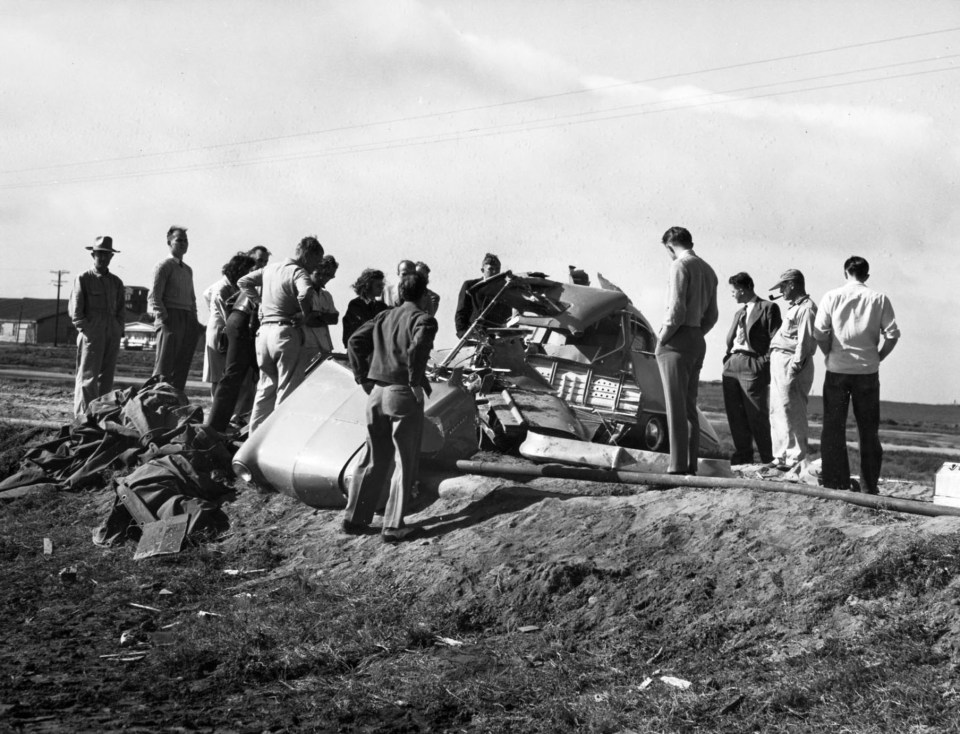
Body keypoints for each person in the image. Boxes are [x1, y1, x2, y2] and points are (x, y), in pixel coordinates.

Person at [342, 271, 438, 543]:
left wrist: (362, 377)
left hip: (377, 393)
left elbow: (354, 341)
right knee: (404, 461)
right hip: (402, 393)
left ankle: (354, 517)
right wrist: (416, 382)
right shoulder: (424, 319)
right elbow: (418, 348)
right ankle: (394, 526)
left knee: (373, 457)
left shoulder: (384, 316)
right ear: (423, 294)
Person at [814, 256, 899, 494]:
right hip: (867, 372)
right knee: (868, 431)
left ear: (845, 273)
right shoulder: (879, 298)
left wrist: (829, 353)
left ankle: (836, 483)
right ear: (867, 276)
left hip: (837, 369)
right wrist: (878, 357)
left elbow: (819, 333)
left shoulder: (831, 296)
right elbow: (892, 335)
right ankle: (869, 486)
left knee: (832, 428)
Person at [238, 235, 324, 432]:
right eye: (316, 262)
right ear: (308, 255)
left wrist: (259, 302)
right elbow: (305, 293)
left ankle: (254, 439)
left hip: (264, 333)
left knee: (265, 389)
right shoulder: (299, 272)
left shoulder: (271, 269)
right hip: (285, 333)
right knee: (286, 390)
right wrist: (305, 313)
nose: (315, 268)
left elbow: (243, 282)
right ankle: (278, 438)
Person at [654, 227, 718, 475]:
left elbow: (676, 311)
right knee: (689, 406)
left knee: (675, 405)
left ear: (670, 246)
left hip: (677, 339)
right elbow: (712, 316)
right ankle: (689, 465)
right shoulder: (709, 270)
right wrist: (696, 333)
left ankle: (677, 465)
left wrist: (662, 339)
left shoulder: (680, 266)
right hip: (696, 338)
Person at [722, 272, 782, 465]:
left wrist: (762, 363)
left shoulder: (768, 308)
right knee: (735, 414)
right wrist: (728, 359)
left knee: (756, 414)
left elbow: (777, 340)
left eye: (733, 291)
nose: (732, 295)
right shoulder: (738, 313)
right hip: (732, 364)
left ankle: (768, 459)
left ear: (742, 289)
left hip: (752, 364)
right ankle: (743, 458)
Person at [68, 236, 126, 417]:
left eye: (107, 254)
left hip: (111, 331)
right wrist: (86, 329)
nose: (103, 258)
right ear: (93, 255)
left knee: (106, 379)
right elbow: (76, 310)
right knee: (88, 378)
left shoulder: (116, 282)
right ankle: (82, 419)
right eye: (100, 254)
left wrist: (117, 329)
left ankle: (100, 418)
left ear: (111, 257)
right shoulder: (84, 278)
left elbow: (121, 309)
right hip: (92, 331)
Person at [768, 269, 818, 469]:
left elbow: (804, 343)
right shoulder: (794, 308)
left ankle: (795, 457)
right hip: (780, 360)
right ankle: (781, 456)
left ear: (791, 284)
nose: (781, 291)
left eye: (782, 286)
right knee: (778, 410)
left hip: (792, 362)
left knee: (792, 409)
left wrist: (794, 368)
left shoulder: (806, 308)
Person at [148, 226, 201, 391]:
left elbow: (192, 299)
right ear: (169, 242)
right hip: (170, 319)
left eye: (186, 240)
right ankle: (155, 403)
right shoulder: (163, 266)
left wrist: (194, 321)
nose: (183, 243)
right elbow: (154, 297)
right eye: (179, 240)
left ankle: (174, 404)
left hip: (186, 320)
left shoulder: (188, 270)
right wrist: (165, 318)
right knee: (164, 367)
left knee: (181, 367)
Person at [202, 253, 256, 398]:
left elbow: (206, 294)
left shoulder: (231, 286)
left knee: (225, 373)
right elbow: (229, 316)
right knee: (218, 375)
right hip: (220, 331)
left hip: (225, 329)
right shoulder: (223, 288)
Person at [454, 252, 512, 338]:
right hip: (475, 334)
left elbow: (509, 314)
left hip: (497, 336)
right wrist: (462, 333)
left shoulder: (504, 289)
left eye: (497, 269)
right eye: (491, 269)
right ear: (482, 270)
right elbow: (461, 312)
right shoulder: (471, 286)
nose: (495, 272)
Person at [300, 254, 340, 371]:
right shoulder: (302, 291)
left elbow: (334, 318)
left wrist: (317, 314)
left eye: (330, 276)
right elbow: (309, 320)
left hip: (324, 346)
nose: (326, 278)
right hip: (306, 345)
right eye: (325, 274)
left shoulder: (326, 295)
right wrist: (323, 317)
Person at [342, 268, 389, 348]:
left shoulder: (382, 306)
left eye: (382, 285)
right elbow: (362, 327)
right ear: (367, 285)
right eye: (378, 285)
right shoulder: (355, 305)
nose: (381, 288)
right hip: (360, 349)